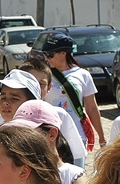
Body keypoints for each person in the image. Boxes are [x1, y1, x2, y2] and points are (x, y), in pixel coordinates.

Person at [40, 32, 106, 163]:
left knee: (76, 176)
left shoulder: (83, 75)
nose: (47, 59)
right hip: (49, 134)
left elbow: (92, 108)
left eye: (50, 55)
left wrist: (102, 137)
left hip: (76, 134)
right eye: (44, 55)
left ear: (63, 53)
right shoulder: (44, 75)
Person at [10, 100, 85, 184]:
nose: (20, 140)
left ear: (52, 134)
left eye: (28, 133)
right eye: (17, 133)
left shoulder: (74, 177)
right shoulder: (14, 172)